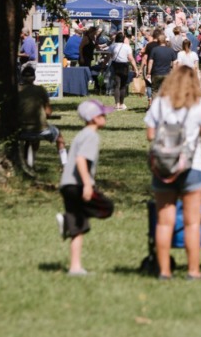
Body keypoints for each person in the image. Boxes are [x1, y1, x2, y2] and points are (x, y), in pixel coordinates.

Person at [145, 66, 201, 280]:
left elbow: (150, 135)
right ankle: (193, 271)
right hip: (192, 166)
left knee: (164, 222)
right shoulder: (199, 104)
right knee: (192, 223)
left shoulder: (159, 103)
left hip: (163, 167)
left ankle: (164, 271)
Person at [57, 99, 116, 276]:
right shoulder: (91, 136)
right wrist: (88, 185)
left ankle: (75, 267)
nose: (105, 116)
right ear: (92, 118)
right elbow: (81, 160)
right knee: (107, 207)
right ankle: (66, 220)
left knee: (79, 227)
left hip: (66, 184)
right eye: (101, 114)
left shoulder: (82, 134)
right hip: (78, 185)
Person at [18, 64, 67, 168]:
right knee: (59, 138)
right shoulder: (40, 90)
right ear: (34, 77)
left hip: (20, 129)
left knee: (33, 139)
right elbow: (48, 112)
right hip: (40, 129)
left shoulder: (16, 90)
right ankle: (65, 164)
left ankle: (30, 164)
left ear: (21, 77)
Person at [108, 32, 139, 111]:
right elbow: (131, 58)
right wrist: (136, 69)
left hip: (115, 65)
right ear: (123, 39)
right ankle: (121, 103)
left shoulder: (112, 46)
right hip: (124, 66)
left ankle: (117, 104)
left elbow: (109, 57)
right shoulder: (127, 47)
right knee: (123, 85)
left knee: (116, 85)